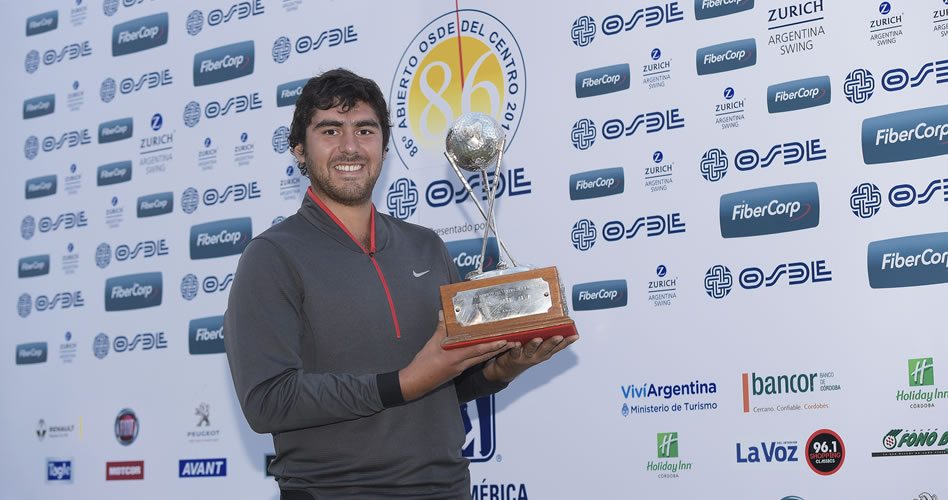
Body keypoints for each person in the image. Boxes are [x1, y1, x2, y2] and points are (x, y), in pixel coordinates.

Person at [223, 68, 577, 499]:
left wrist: (504, 369)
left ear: (384, 147)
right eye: (330, 130)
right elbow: (268, 401)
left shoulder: (426, 246)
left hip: (445, 488)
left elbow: (444, 382)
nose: (350, 146)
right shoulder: (271, 257)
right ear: (299, 150)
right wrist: (403, 381)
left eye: (365, 130)